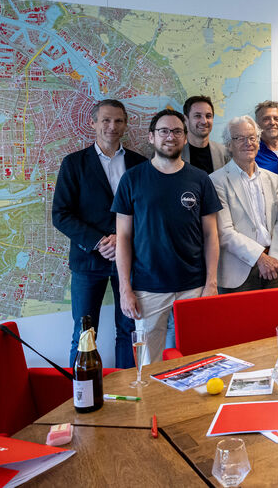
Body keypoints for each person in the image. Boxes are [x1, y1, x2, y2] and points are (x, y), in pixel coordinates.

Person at [112, 110, 222, 364]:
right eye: (163, 131)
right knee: (148, 363)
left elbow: (211, 235)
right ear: (151, 137)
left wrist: (211, 283)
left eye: (177, 131)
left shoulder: (200, 179)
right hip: (148, 289)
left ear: (185, 138)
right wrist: (125, 288)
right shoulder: (132, 179)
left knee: (196, 359)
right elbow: (124, 238)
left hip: (194, 287)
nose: (170, 137)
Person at [52, 99, 146, 368]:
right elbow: (61, 214)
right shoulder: (74, 163)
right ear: (93, 123)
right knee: (83, 334)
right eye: (105, 120)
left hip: (129, 261)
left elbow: (147, 213)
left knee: (129, 331)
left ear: (126, 124)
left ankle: (129, 389)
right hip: (88, 262)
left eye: (118, 120)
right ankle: (79, 396)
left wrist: (121, 240)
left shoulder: (140, 164)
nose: (112, 126)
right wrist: (99, 241)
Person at [210, 116, 278, 294]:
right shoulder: (216, 181)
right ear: (229, 145)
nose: (248, 143)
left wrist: (275, 256)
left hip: (274, 266)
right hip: (238, 273)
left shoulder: (272, 179)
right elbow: (224, 231)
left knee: (274, 321)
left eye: (252, 137)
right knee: (239, 322)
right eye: (240, 138)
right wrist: (260, 258)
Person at [181, 95, 229, 174]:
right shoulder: (176, 153)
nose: (204, 121)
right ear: (185, 120)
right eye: (197, 116)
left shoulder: (224, 153)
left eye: (208, 116)